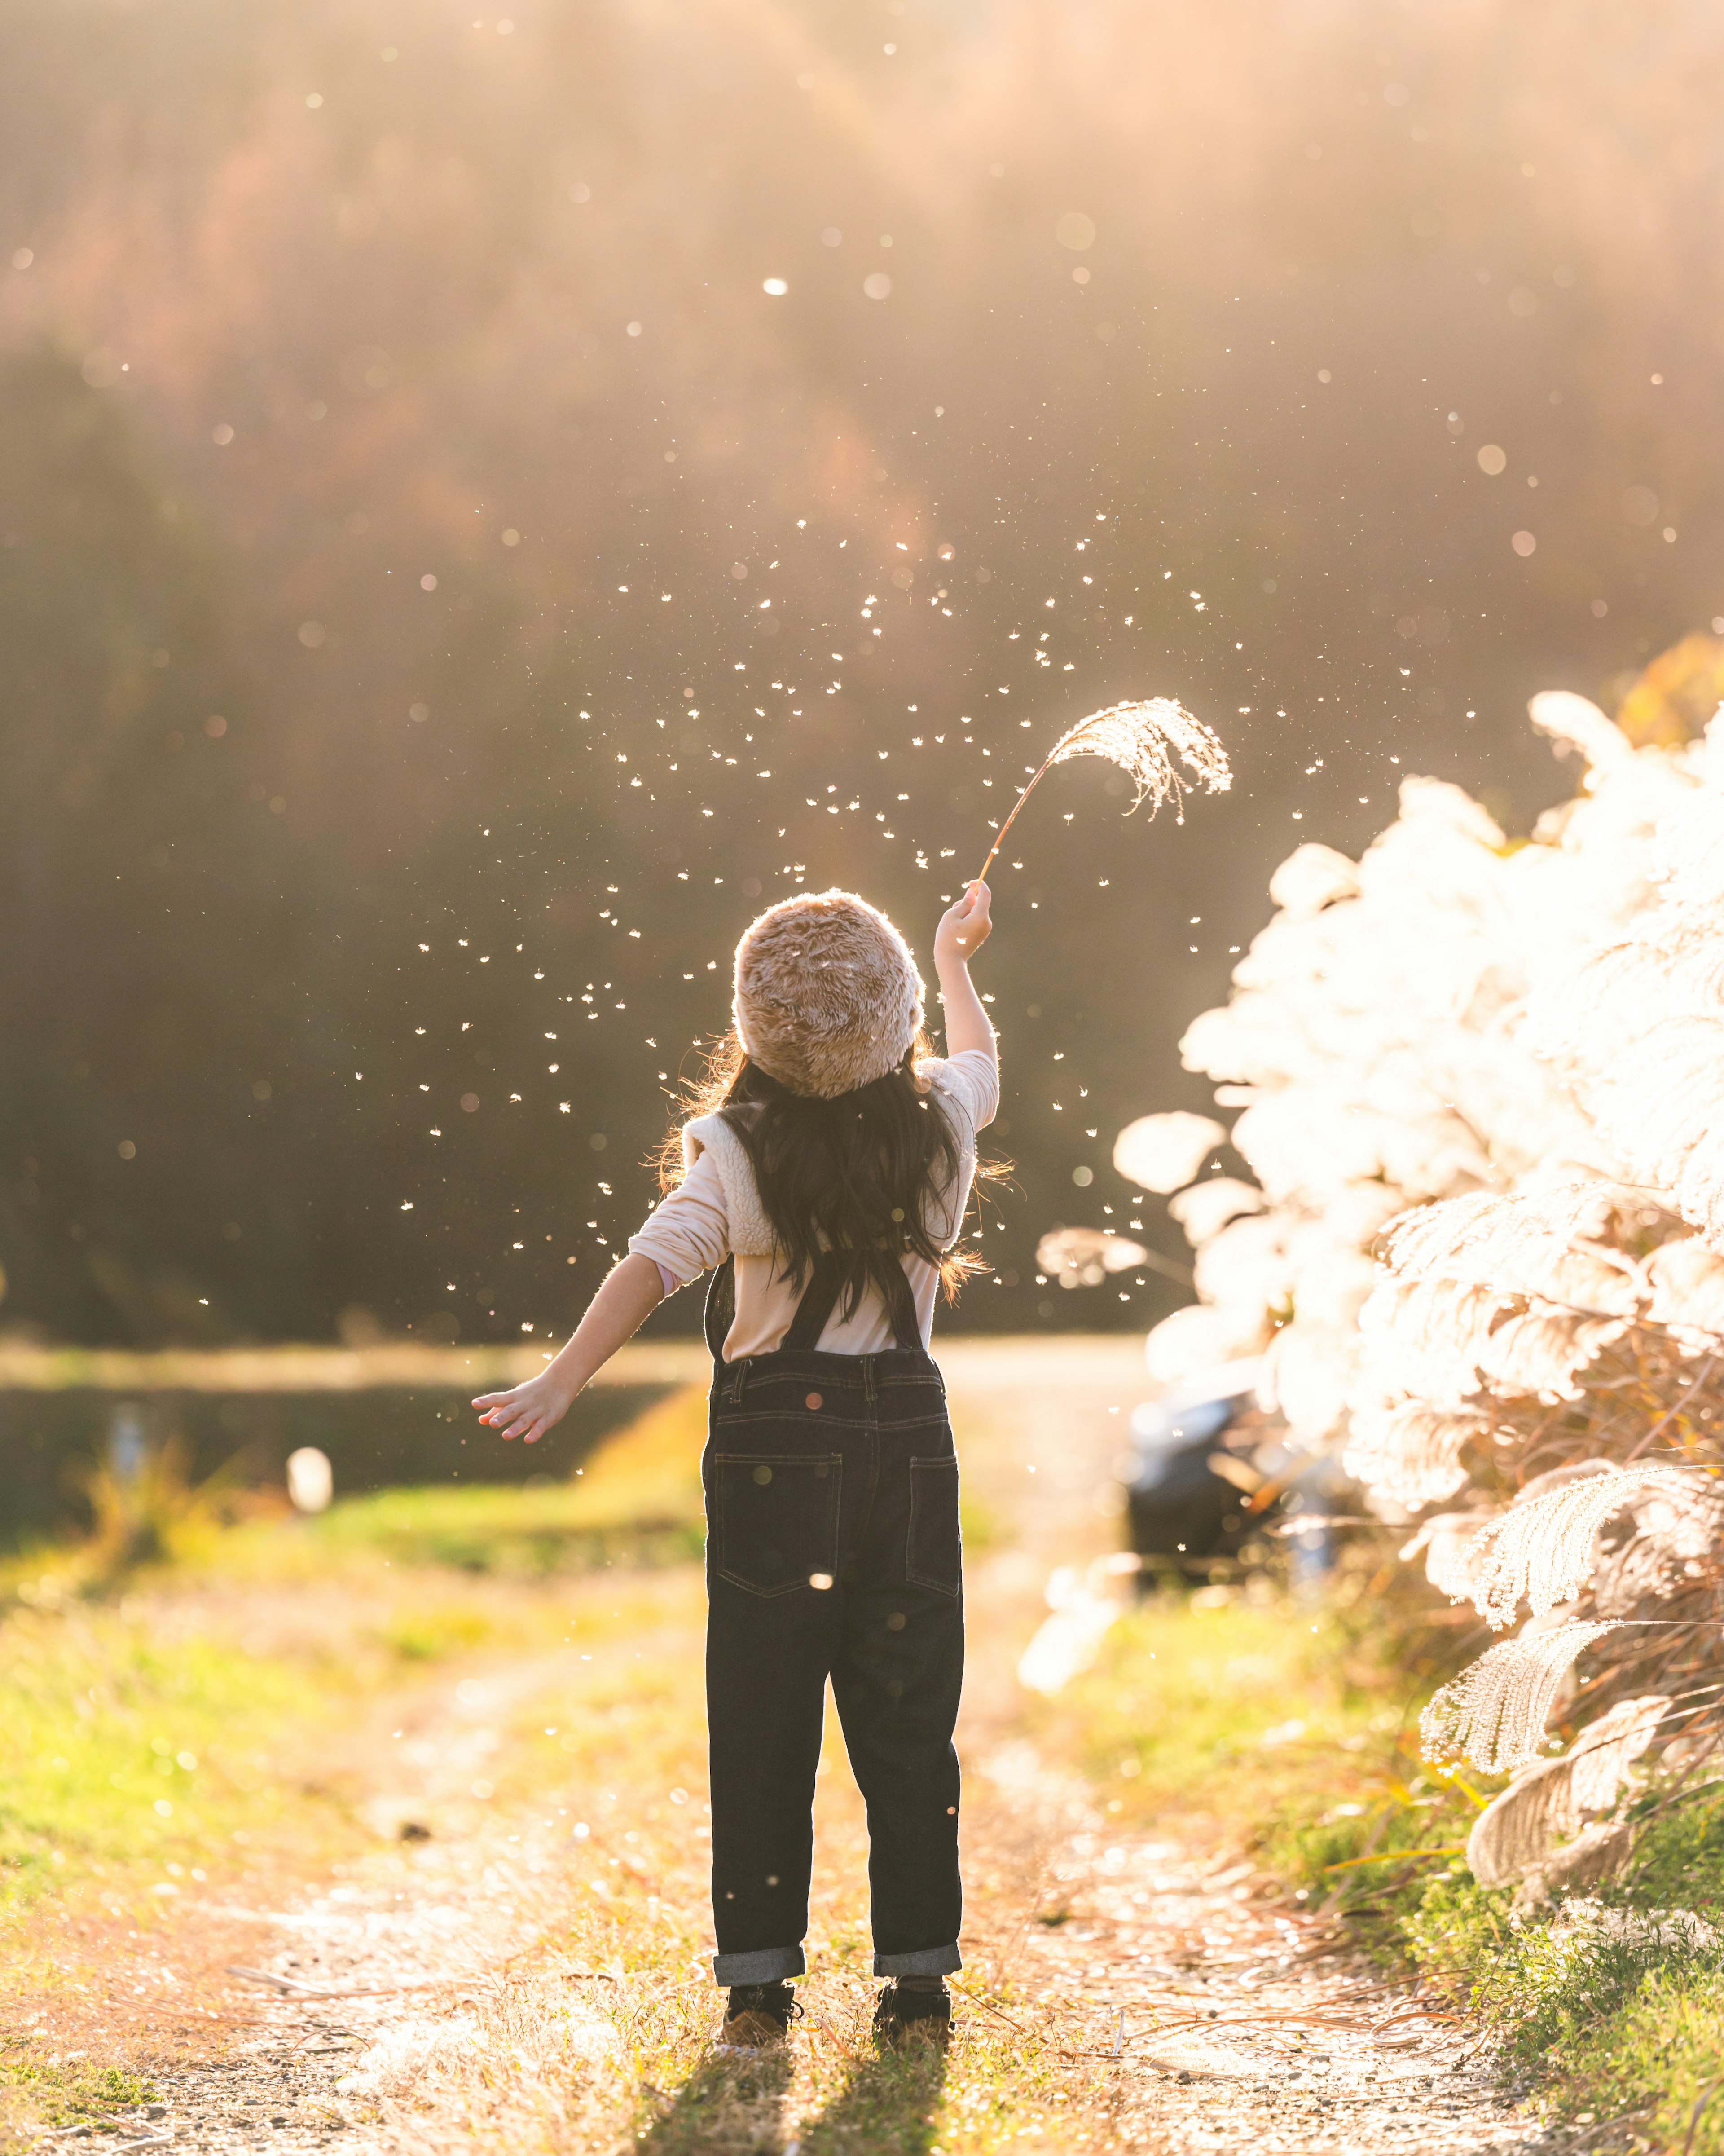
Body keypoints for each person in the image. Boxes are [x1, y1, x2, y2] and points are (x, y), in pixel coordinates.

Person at [473, 882, 998, 2051]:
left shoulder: (736, 1152)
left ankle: (759, 1986)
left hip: (775, 1451)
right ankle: (917, 1985)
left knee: (763, 1712)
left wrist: (562, 1380)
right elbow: (981, 1062)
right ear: (895, 1013)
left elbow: (648, 1268)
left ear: (756, 1025)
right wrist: (955, 956)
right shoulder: (943, 1124)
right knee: (910, 1713)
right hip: (908, 1443)